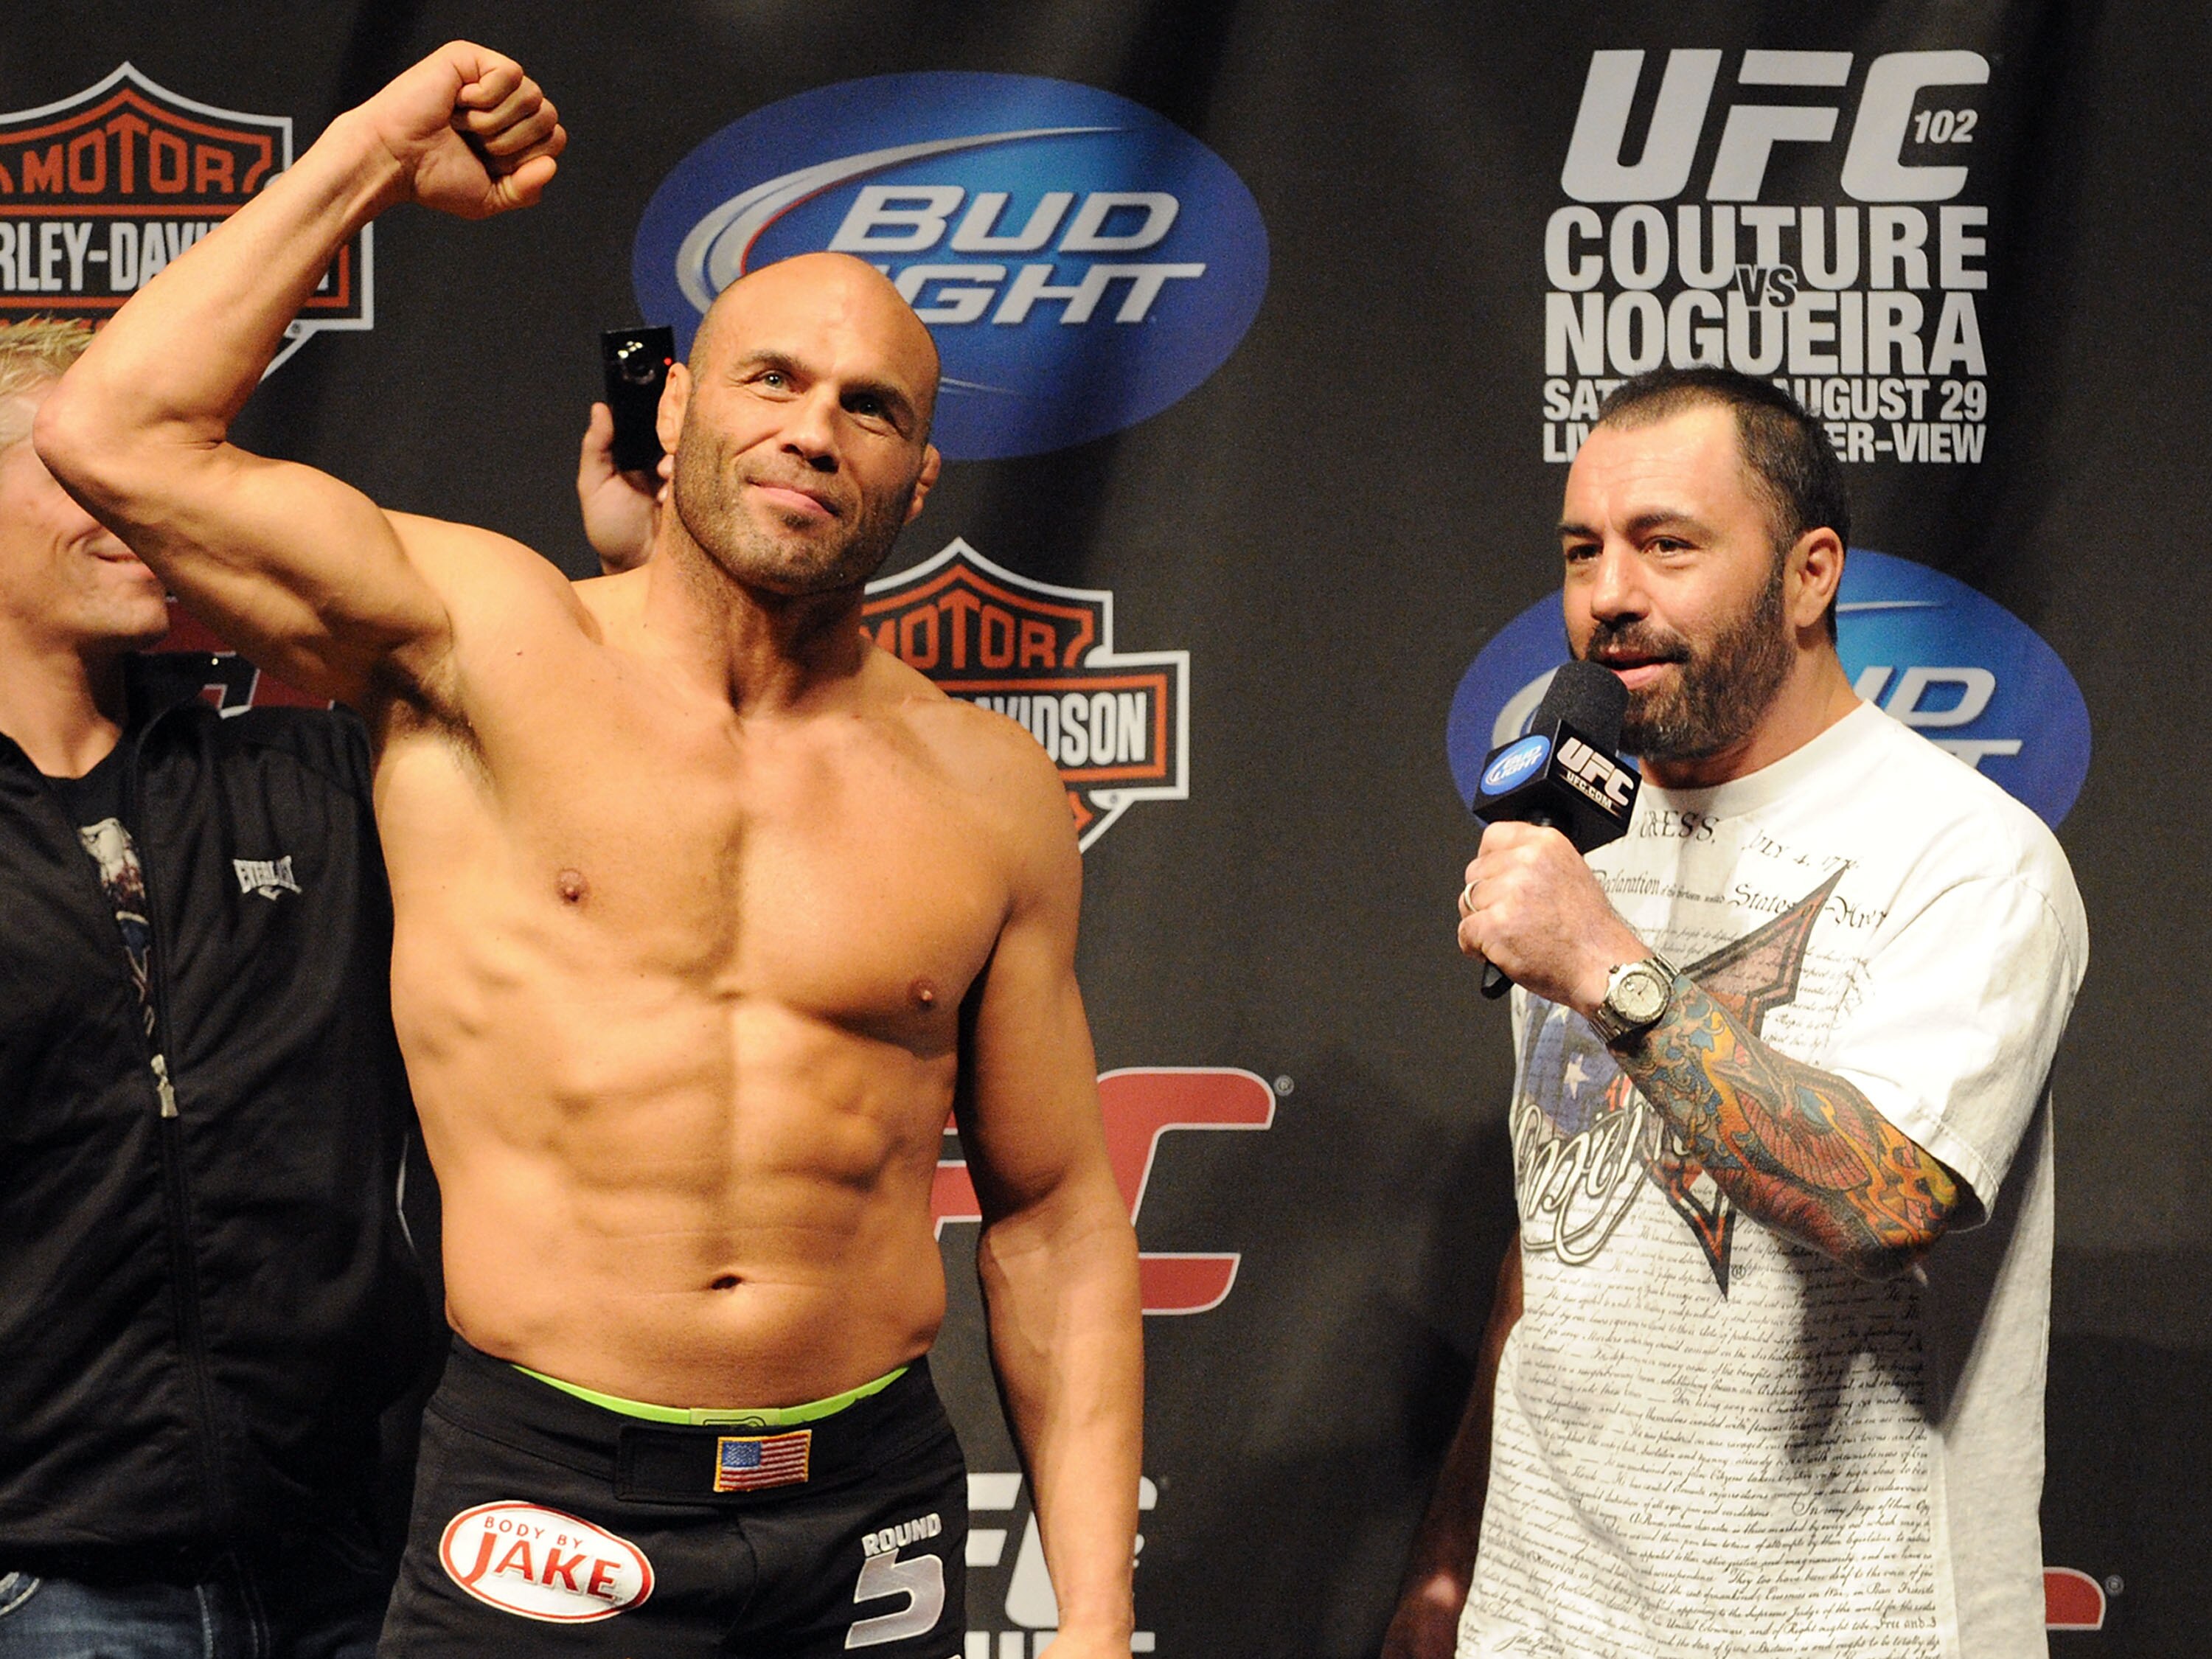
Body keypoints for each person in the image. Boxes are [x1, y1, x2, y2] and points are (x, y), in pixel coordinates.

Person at [35, 44, 1143, 1659]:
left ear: (922, 474)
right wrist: (367, 153)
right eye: (770, 379)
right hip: (548, 1500)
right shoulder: (483, 641)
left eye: (871, 409)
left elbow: (1050, 1215)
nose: (816, 432)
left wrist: (1097, 1624)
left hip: (873, 1504)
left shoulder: (987, 787)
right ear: (675, 401)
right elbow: (113, 430)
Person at [1388, 366, 2085, 1658]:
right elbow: (1553, 1251)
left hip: (1847, 1629)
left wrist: (1613, 972)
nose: (1609, 596)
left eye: (1668, 545)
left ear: (1812, 573)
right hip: (1544, 1627)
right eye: (1583, 550)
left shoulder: (1967, 857)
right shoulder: (1573, 832)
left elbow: (1883, 1199)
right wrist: (1447, 1570)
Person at [0, 317, 432, 1655]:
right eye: (85, 468)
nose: (135, 503)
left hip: (346, 1573)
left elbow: (565, 734)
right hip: (47, 1585)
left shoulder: (307, 781)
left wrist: (645, 558)